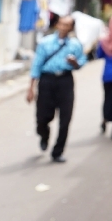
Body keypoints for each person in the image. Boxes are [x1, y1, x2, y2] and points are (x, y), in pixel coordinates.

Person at [26, 16, 87, 163]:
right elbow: (37, 65)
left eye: (67, 25)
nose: (63, 27)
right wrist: (31, 88)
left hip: (65, 81)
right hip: (47, 81)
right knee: (42, 117)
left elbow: (82, 62)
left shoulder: (75, 45)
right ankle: (44, 135)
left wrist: (75, 63)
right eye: (61, 24)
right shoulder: (45, 43)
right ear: (57, 24)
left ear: (71, 28)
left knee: (65, 118)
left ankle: (57, 152)